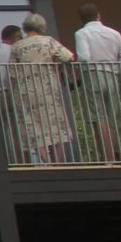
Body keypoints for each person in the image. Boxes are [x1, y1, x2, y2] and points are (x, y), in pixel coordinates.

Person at [8, 13, 77, 163]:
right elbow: (69, 57)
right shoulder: (48, 41)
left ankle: (47, 162)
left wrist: (12, 92)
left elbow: (12, 74)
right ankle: (58, 162)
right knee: (57, 125)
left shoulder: (17, 46)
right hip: (48, 89)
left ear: (25, 27)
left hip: (26, 91)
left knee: (34, 128)